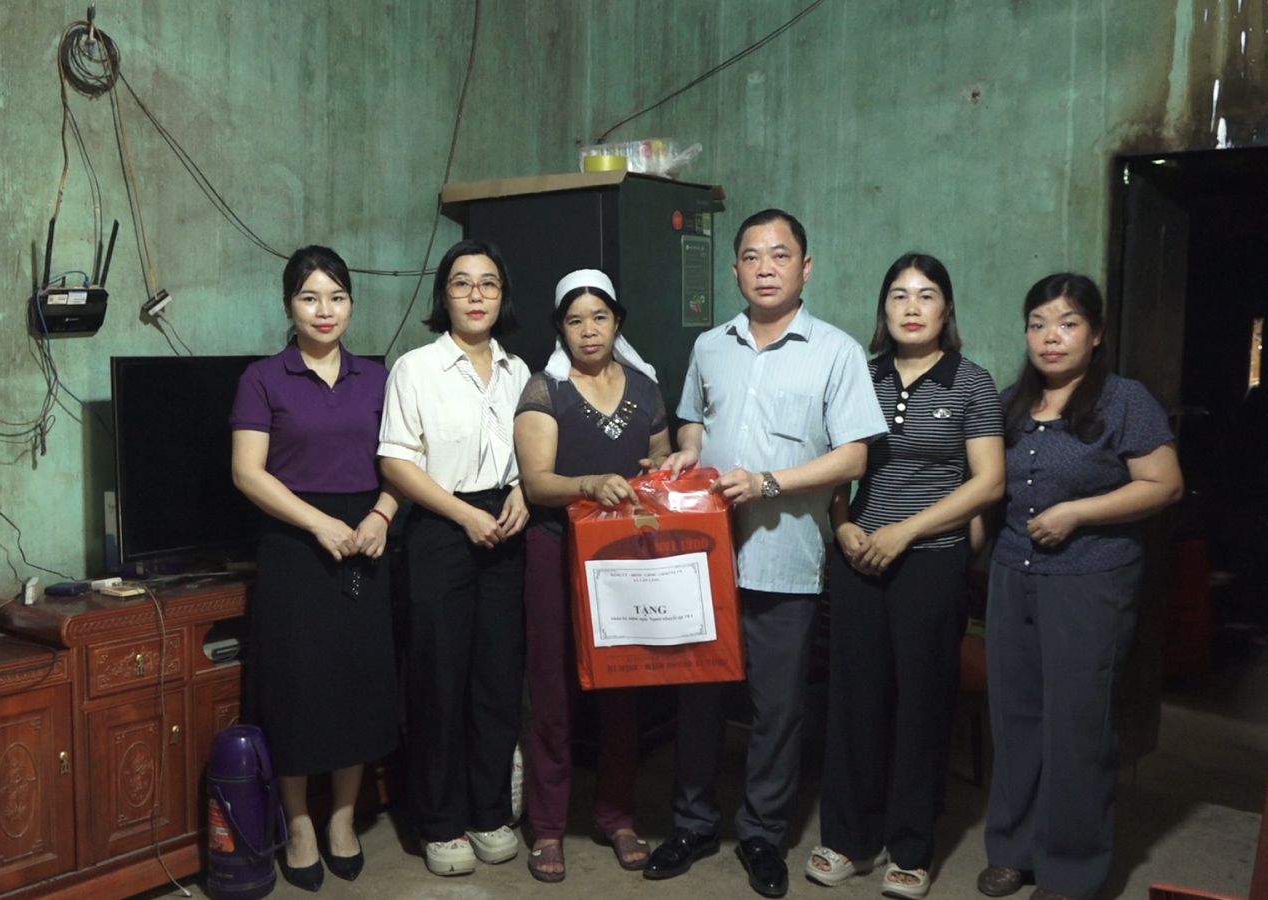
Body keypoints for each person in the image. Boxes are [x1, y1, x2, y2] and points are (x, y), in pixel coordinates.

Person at [644, 209, 887, 899]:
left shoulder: (836, 352)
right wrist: (687, 452)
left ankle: (761, 834)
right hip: (705, 558)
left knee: (777, 710)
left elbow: (854, 456)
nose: (766, 268)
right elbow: (694, 422)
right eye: (752, 256)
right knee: (696, 699)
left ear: (805, 268)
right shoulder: (709, 346)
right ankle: (692, 823)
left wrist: (769, 482)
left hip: (786, 558)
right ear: (735, 270)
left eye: (780, 255)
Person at [975, 273, 1183, 900]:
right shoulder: (1011, 403)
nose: (1051, 337)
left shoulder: (1124, 401)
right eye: (1038, 324)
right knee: (1013, 719)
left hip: (1091, 581)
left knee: (1077, 727)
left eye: (1067, 324)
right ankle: (1011, 850)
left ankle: (1070, 870)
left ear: (1095, 334)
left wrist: (1077, 513)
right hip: (1012, 576)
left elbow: (1164, 484)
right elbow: (988, 490)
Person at [806, 253, 1005, 899]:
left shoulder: (971, 383)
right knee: (853, 701)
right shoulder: (860, 376)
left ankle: (912, 849)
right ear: (883, 309)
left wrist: (906, 532)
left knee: (922, 703)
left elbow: (989, 482)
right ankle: (848, 839)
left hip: (931, 560)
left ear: (946, 309)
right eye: (898, 295)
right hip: (859, 557)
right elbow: (840, 467)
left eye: (925, 295)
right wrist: (843, 525)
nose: (911, 307)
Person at [229, 245, 399, 892]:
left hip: (368, 538)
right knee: (297, 689)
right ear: (288, 306)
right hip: (295, 546)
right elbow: (247, 473)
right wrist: (319, 524)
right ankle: (299, 823)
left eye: (336, 297)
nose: (324, 310)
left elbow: (405, 460)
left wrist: (381, 515)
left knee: (358, 683)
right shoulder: (263, 378)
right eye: (309, 297)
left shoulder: (378, 378)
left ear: (351, 304)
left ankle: (343, 819)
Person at [377, 239, 531, 877]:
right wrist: (464, 514)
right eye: (462, 283)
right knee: (438, 680)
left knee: (497, 678)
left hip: (508, 524)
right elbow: (395, 461)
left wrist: (522, 492)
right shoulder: (416, 368)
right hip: (441, 526)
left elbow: (532, 450)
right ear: (444, 295)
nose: (475, 295)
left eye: (488, 283)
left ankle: (489, 810)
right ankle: (439, 823)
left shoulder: (519, 370)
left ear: (502, 295)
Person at [513, 269, 672, 883]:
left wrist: (659, 471)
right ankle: (548, 827)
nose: (588, 330)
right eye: (575, 320)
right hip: (556, 551)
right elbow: (536, 483)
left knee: (622, 685)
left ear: (617, 322)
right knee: (552, 691)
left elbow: (660, 459)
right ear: (561, 328)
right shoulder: (545, 390)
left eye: (599, 317)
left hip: (624, 558)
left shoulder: (645, 387)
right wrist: (588, 484)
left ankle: (616, 815)